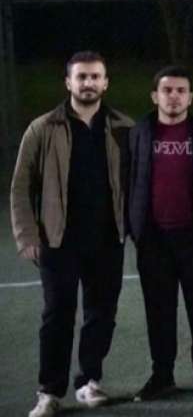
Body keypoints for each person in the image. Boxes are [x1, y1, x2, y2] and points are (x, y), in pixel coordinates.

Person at [11, 51, 134, 417]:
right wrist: (26, 236)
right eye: (81, 77)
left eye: (95, 76)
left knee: (102, 313)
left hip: (107, 239)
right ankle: (49, 392)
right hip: (57, 239)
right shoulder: (42, 128)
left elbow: (137, 181)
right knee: (57, 315)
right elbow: (20, 187)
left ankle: (88, 381)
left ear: (105, 82)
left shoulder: (123, 127)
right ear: (68, 82)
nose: (88, 83)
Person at [127, 66, 193, 401]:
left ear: (190, 97)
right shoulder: (138, 133)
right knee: (159, 310)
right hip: (154, 239)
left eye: (181, 91)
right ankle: (162, 375)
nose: (174, 96)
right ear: (154, 96)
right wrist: (135, 228)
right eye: (167, 90)